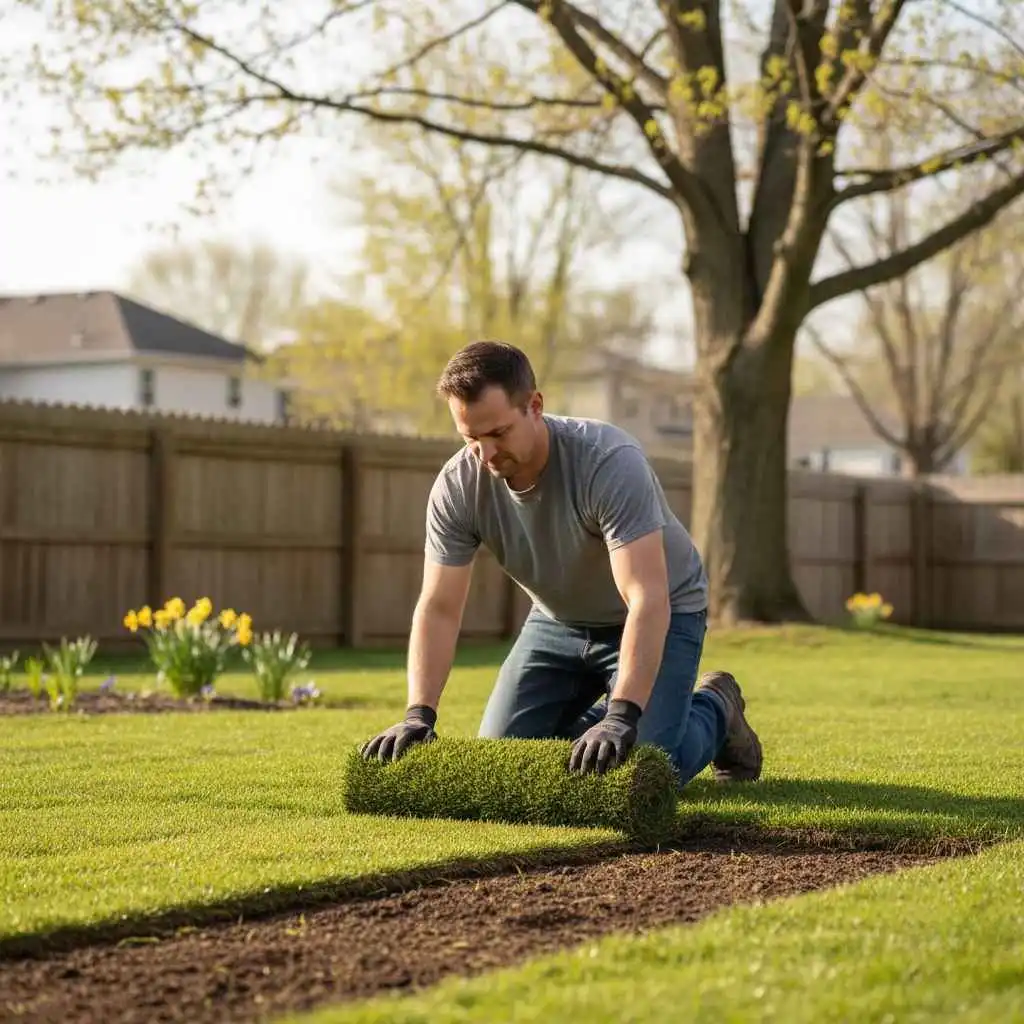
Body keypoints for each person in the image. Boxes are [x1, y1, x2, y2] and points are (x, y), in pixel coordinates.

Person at [360, 340, 762, 784]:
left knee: (641, 769)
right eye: (471, 438)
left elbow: (646, 597)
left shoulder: (607, 462)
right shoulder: (458, 487)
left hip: (659, 611)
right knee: (504, 765)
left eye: (498, 433)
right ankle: (603, 714)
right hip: (558, 622)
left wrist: (623, 715)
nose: (486, 455)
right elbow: (438, 606)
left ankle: (716, 706)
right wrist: (419, 714)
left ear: (534, 405)